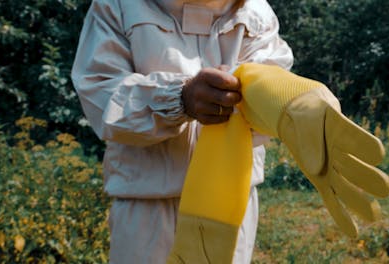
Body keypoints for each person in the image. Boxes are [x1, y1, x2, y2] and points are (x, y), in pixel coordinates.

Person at [71, 0, 293, 263]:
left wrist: (295, 102)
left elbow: (272, 91)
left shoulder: (256, 10)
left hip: (231, 202)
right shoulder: (117, 5)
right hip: (147, 208)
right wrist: (180, 98)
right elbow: (101, 92)